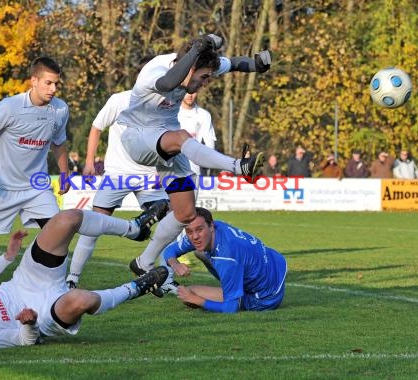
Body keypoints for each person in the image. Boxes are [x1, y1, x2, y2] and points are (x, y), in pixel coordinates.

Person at [118, 34, 270, 282]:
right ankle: (239, 167)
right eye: (203, 77)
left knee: (186, 213)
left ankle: (143, 262)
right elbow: (168, 83)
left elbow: (231, 63)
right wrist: (196, 50)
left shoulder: (197, 67)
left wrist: (256, 65)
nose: (206, 83)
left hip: (168, 144)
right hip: (138, 138)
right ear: (189, 66)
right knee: (180, 136)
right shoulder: (156, 69)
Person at [0, 207, 169, 348]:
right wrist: (29, 323)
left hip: (23, 282)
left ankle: (135, 228)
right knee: (80, 300)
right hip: (40, 312)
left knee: (65, 219)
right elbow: (24, 340)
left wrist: (8, 257)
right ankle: (138, 287)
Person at [0, 57, 71, 278]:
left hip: (36, 187)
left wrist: (64, 173)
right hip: (2, 187)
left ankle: (53, 287)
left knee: (57, 233)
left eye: (56, 83)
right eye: (48, 83)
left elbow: (59, 143)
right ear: (33, 81)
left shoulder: (60, 110)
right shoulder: (10, 106)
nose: (53, 89)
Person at [65, 89, 170, 289]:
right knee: (93, 225)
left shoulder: (166, 102)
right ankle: (72, 278)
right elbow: (96, 128)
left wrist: (162, 170)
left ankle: (165, 277)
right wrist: (89, 162)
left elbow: (166, 140)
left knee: (169, 222)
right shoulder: (119, 99)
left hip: (149, 176)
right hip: (117, 174)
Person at [163, 207, 287, 313]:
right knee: (200, 252)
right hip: (275, 268)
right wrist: (175, 264)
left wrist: (194, 299)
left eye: (199, 230)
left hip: (265, 298)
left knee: (189, 293)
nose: (194, 236)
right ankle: (231, 285)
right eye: (189, 232)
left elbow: (231, 308)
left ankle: (233, 290)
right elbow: (169, 251)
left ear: (211, 226)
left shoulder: (226, 258)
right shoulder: (217, 226)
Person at [178, 91, 217, 176]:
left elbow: (209, 142)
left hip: (194, 167)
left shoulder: (204, 114)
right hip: (174, 166)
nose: (190, 95)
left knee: (193, 188)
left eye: (193, 92)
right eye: (187, 92)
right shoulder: (172, 113)